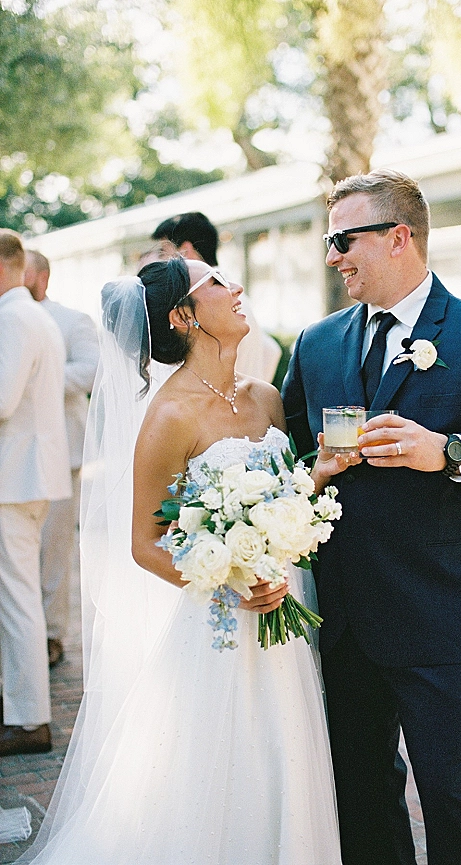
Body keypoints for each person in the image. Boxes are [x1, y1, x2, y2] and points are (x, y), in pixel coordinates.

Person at [16, 256, 350, 864]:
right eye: (218, 282)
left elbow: (286, 492)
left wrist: (318, 475)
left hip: (284, 618)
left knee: (286, 752)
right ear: (184, 316)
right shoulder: (169, 415)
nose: (237, 286)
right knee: (220, 769)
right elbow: (144, 543)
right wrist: (230, 581)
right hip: (219, 627)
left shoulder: (265, 397)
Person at [281, 168, 461, 865]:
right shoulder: (317, 345)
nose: (332, 256)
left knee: (455, 794)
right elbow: (288, 448)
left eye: (343, 239)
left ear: (398, 237)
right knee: (362, 791)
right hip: (344, 615)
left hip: (442, 612)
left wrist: (451, 450)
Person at [0, 230, 71, 757]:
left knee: (15, 598)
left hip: (13, 478)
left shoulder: (14, 317)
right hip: (25, 474)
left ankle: (28, 720)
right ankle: (19, 708)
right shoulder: (31, 316)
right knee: (15, 595)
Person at [24, 250, 99, 668]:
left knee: (53, 548)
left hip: (63, 449)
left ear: (42, 276)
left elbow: (91, 370)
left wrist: (37, 379)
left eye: (26, 273)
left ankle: (52, 634)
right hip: (15, 452)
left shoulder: (72, 320)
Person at [152, 212, 282, 382]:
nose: (160, 261)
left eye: (163, 253)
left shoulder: (214, 302)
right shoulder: (235, 297)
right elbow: (272, 350)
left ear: (185, 251)